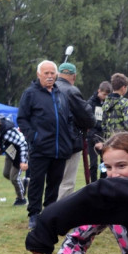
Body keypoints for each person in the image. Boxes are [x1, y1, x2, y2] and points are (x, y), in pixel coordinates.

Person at [17, 60, 75, 229]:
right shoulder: (30, 94)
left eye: (52, 73)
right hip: (40, 147)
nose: (49, 77)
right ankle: (34, 214)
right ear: (39, 75)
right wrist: (34, 137)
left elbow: (69, 118)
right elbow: (22, 118)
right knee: (36, 182)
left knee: (55, 182)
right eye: (46, 73)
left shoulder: (60, 94)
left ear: (56, 75)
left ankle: (49, 213)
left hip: (61, 147)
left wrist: (69, 137)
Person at [54, 63, 96, 200]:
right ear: (74, 76)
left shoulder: (47, 88)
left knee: (53, 179)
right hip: (69, 141)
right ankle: (61, 212)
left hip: (48, 141)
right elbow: (87, 115)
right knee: (67, 181)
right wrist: (89, 125)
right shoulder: (71, 91)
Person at [87, 81, 111, 183]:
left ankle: (102, 182)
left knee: (104, 163)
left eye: (107, 95)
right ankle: (93, 183)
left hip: (104, 136)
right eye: (104, 94)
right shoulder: (90, 103)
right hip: (92, 137)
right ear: (99, 91)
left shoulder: (109, 103)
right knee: (93, 164)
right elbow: (89, 122)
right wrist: (95, 139)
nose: (105, 97)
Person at [100, 73, 128, 139]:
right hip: (121, 140)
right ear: (124, 88)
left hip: (109, 140)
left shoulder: (106, 101)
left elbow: (103, 124)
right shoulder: (125, 102)